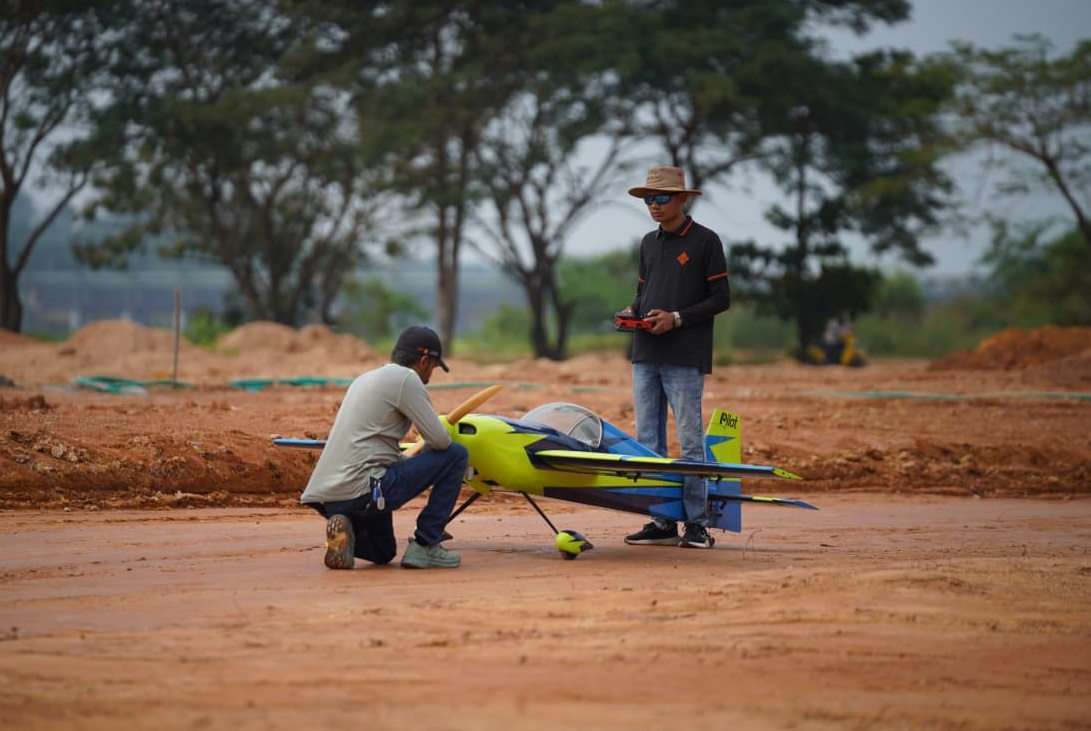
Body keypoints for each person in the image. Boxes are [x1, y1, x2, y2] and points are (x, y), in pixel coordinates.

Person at [619, 166, 731, 549]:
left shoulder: (706, 241)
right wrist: (632, 313)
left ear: (683, 198)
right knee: (647, 441)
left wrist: (677, 318)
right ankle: (662, 520)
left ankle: (697, 524)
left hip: (684, 356)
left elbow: (721, 299)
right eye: (649, 199)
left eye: (662, 197)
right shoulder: (648, 243)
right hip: (645, 354)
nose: (654, 205)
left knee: (690, 441)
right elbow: (643, 293)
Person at [300, 325, 469, 570]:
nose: (430, 375)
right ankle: (426, 543)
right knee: (456, 455)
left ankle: (346, 528)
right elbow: (440, 441)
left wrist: (410, 460)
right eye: (433, 367)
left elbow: (374, 446)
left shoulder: (364, 379)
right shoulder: (406, 379)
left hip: (331, 498)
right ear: (424, 361)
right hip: (366, 489)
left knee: (384, 552)